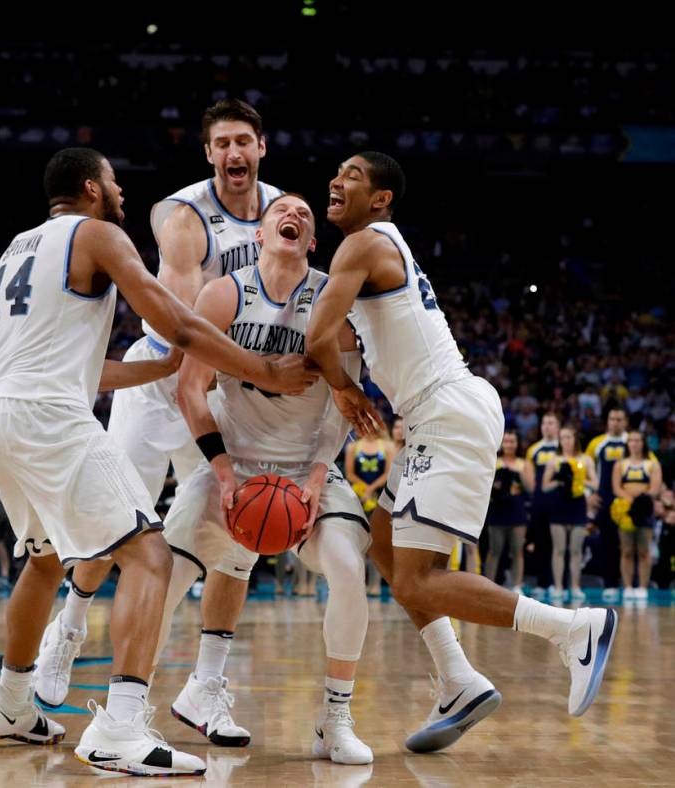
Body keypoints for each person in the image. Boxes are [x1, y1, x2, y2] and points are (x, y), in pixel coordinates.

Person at [0, 147, 313, 777]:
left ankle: (11, 702)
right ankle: (120, 727)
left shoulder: (18, 247)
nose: (120, 189)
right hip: (48, 417)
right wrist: (263, 369)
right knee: (148, 556)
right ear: (91, 188)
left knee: (45, 560)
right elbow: (177, 323)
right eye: (114, 179)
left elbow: (84, 367)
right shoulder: (98, 234)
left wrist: (156, 370)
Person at [305, 151, 617, 752]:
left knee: (420, 580)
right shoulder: (375, 252)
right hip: (433, 416)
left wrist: (343, 391)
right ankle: (459, 680)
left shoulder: (363, 243)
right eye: (336, 173)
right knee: (388, 549)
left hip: (446, 411)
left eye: (352, 176)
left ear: (381, 198)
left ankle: (574, 629)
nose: (336, 182)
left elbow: (319, 337)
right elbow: (334, 336)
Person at [33, 99, 284, 735]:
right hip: (163, 377)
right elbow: (183, 325)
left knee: (239, 540)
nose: (233, 153)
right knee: (119, 519)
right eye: (222, 143)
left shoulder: (286, 212)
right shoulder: (182, 215)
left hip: (228, 385)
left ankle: (207, 685)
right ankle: (69, 623)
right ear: (209, 154)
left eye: (243, 142)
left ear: (261, 148)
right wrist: (261, 363)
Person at [153, 193, 374, 764]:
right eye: (284, 211)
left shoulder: (332, 297)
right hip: (235, 458)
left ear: (313, 240)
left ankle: (335, 718)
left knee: (349, 571)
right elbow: (189, 388)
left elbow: (341, 406)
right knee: (163, 573)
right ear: (258, 234)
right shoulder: (225, 292)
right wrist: (223, 474)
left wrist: (320, 476)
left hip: (307, 465)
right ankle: (127, 708)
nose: (293, 215)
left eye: (303, 214)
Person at [542, 426, 598, 600]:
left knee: (575, 550)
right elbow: (544, 486)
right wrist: (559, 480)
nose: (565, 441)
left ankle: (575, 586)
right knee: (559, 549)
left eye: (569, 437)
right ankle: (558, 586)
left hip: (578, 506)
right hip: (559, 505)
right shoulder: (554, 460)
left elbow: (595, 484)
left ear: (575, 439)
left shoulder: (586, 460)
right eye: (563, 437)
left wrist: (579, 479)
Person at [611, 430, 662, 599]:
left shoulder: (652, 464)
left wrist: (640, 501)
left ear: (643, 443)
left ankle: (642, 587)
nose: (634, 443)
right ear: (628, 444)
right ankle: (627, 587)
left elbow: (654, 488)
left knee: (643, 551)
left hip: (645, 512)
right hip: (626, 511)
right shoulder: (620, 464)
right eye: (631, 440)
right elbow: (617, 487)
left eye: (637, 440)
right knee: (626, 550)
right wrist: (631, 500)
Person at [344, 429, 396, 596]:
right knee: (358, 542)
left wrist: (372, 488)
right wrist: (364, 489)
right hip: (358, 496)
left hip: (379, 497)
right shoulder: (353, 447)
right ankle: (358, 582)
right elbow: (350, 473)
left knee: (377, 541)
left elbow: (389, 473)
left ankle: (375, 584)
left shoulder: (387, 446)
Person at [484, 430, 534, 591]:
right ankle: (488, 586)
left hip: (517, 511)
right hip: (496, 510)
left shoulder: (524, 463)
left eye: (512, 441)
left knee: (517, 550)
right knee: (494, 550)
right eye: (506, 441)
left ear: (517, 444)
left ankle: (517, 585)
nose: (509, 445)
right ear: (501, 443)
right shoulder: (494, 462)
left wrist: (520, 475)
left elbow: (531, 488)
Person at [585, 408, 628, 590]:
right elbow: (583, 469)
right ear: (607, 421)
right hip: (603, 499)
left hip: (627, 499)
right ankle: (609, 584)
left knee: (627, 543)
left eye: (619, 419)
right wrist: (589, 494)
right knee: (607, 543)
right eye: (612, 418)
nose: (615, 422)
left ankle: (629, 584)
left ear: (625, 422)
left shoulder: (632, 441)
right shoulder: (597, 444)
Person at [526, 412, 562, 592]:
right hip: (540, 502)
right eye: (545, 423)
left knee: (559, 543)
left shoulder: (563, 449)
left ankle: (559, 583)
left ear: (558, 427)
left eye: (551, 423)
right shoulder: (534, 450)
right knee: (541, 542)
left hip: (560, 501)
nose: (547, 426)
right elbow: (531, 479)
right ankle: (542, 582)